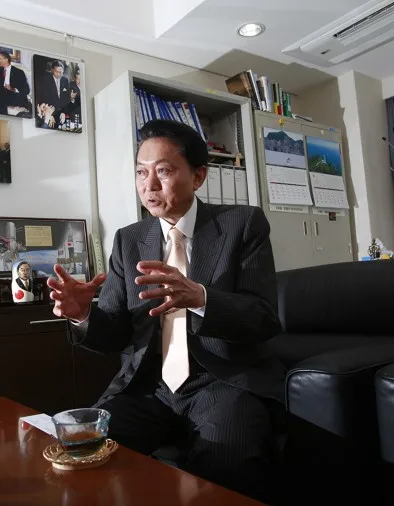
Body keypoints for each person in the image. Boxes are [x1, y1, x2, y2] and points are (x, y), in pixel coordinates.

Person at [47, 119, 285, 502]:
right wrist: (83, 314)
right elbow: (116, 333)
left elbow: (264, 317)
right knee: (85, 452)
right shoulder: (129, 239)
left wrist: (202, 297)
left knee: (225, 467)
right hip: (150, 388)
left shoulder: (242, 225)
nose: (149, 185)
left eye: (164, 171)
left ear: (199, 176)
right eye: (141, 172)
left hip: (221, 381)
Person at [0, 51, 31, 115]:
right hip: (1, 97)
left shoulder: (18, 72)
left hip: (13, 96)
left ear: (6, 59)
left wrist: (12, 89)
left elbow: (26, 90)